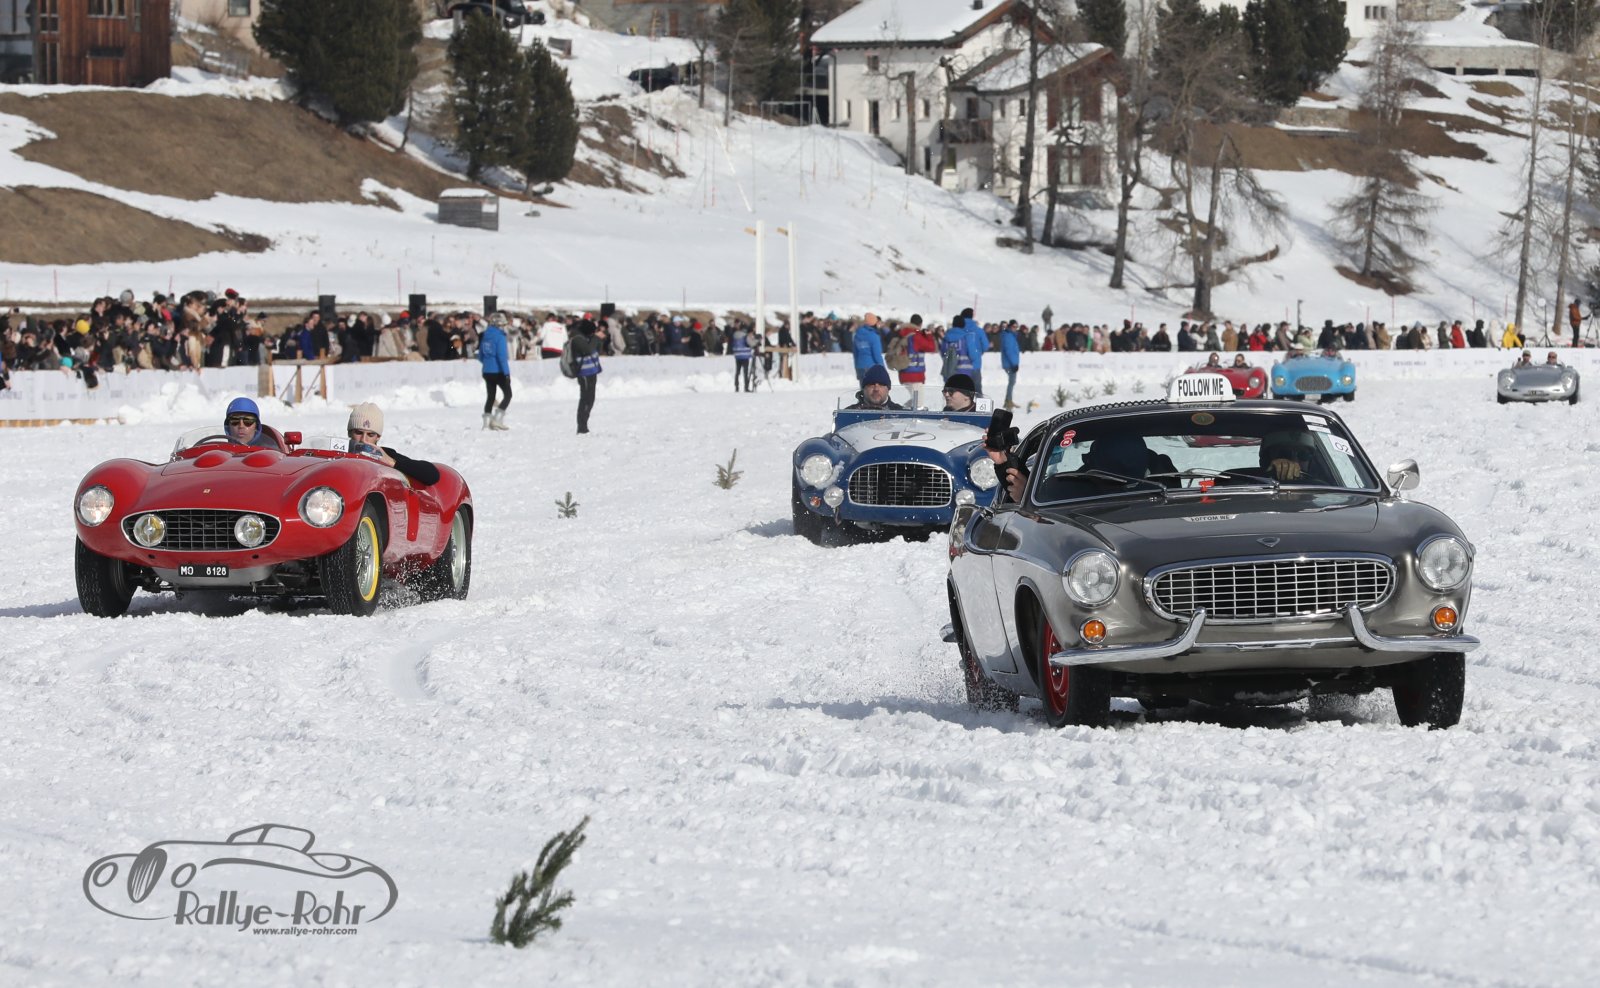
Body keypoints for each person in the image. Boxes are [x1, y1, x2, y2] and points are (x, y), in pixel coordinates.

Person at [347, 402, 441, 486]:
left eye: (370, 435)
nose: (364, 440)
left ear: (378, 437)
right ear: (349, 433)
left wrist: (391, 462)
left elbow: (432, 475)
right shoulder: (340, 450)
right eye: (358, 433)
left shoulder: (385, 455)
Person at [570, 318, 606, 434]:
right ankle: (582, 427)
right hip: (584, 373)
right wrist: (595, 338)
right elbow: (589, 350)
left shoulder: (587, 338)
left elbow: (596, 350)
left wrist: (598, 339)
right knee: (585, 399)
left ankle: (584, 425)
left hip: (591, 371)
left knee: (590, 399)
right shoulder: (577, 338)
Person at [479, 311, 512, 431]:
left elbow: (480, 356)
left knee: (491, 397)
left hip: (486, 371)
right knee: (508, 395)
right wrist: (507, 374)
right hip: (498, 371)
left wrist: (488, 364)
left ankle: (486, 423)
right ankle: (497, 420)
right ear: (499, 325)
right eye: (503, 325)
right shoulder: (500, 336)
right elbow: (502, 357)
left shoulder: (485, 335)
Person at [896, 314, 938, 410]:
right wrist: (929, 336)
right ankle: (902, 412)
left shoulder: (902, 333)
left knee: (915, 401)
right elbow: (932, 348)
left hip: (903, 371)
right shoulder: (916, 336)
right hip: (915, 374)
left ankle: (902, 410)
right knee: (918, 403)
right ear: (920, 324)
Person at [852, 312, 885, 384]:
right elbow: (877, 355)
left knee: (863, 389)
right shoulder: (874, 336)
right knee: (872, 390)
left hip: (860, 366)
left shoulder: (857, 335)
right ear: (874, 323)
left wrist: (856, 368)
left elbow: (855, 354)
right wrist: (882, 368)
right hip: (871, 367)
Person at [999, 320, 1021, 410]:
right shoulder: (1008, 336)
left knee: (1012, 382)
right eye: (1013, 327)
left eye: (1016, 327)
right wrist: (1014, 364)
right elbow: (1009, 351)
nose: (1015, 328)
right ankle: (1008, 401)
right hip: (1010, 364)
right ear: (1010, 326)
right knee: (1011, 382)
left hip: (1010, 363)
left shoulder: (1010, 335)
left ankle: (1008, 400)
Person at [730, 321, 755, 392]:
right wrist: (756, 340)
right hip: (745, 356)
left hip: (737, 356)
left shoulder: (735, 335)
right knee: (745, 372)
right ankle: (746, 387)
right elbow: (752, 344)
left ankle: (736, 387)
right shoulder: (745, 336)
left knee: (737, 372)